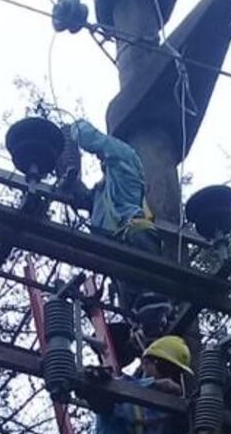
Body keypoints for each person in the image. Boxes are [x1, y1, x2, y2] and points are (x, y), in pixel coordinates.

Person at [62, 119, 171, 330]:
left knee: (147, 293)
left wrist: (74, 131)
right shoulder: (101, 191)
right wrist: (69, 175)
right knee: (133, 302)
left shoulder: (127, 162)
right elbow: (84, 198)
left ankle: (154, 303)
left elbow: (97, 141)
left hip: (134, 238)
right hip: (114, 251)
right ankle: (141, 321)